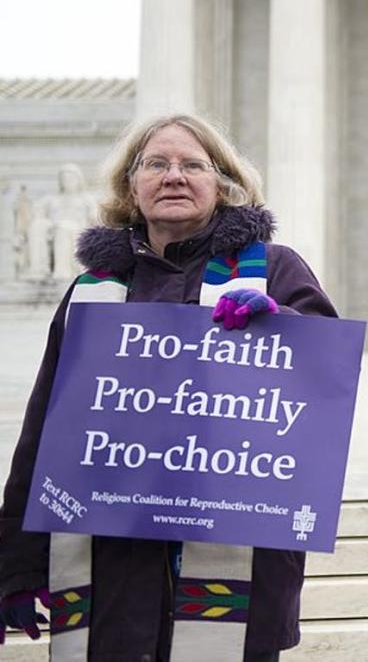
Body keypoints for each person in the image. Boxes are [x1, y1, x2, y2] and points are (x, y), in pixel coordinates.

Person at [0, 114, 337, 661]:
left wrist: (280, 329)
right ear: (131, 186)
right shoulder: (92, 292)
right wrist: (18, 560)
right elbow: (46, 429)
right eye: (155, 164)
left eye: (192, 165)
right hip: (114, 560)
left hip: (234, 553)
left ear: (223, 183)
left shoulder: (274, 269)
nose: (173, 176)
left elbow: (326, 388)